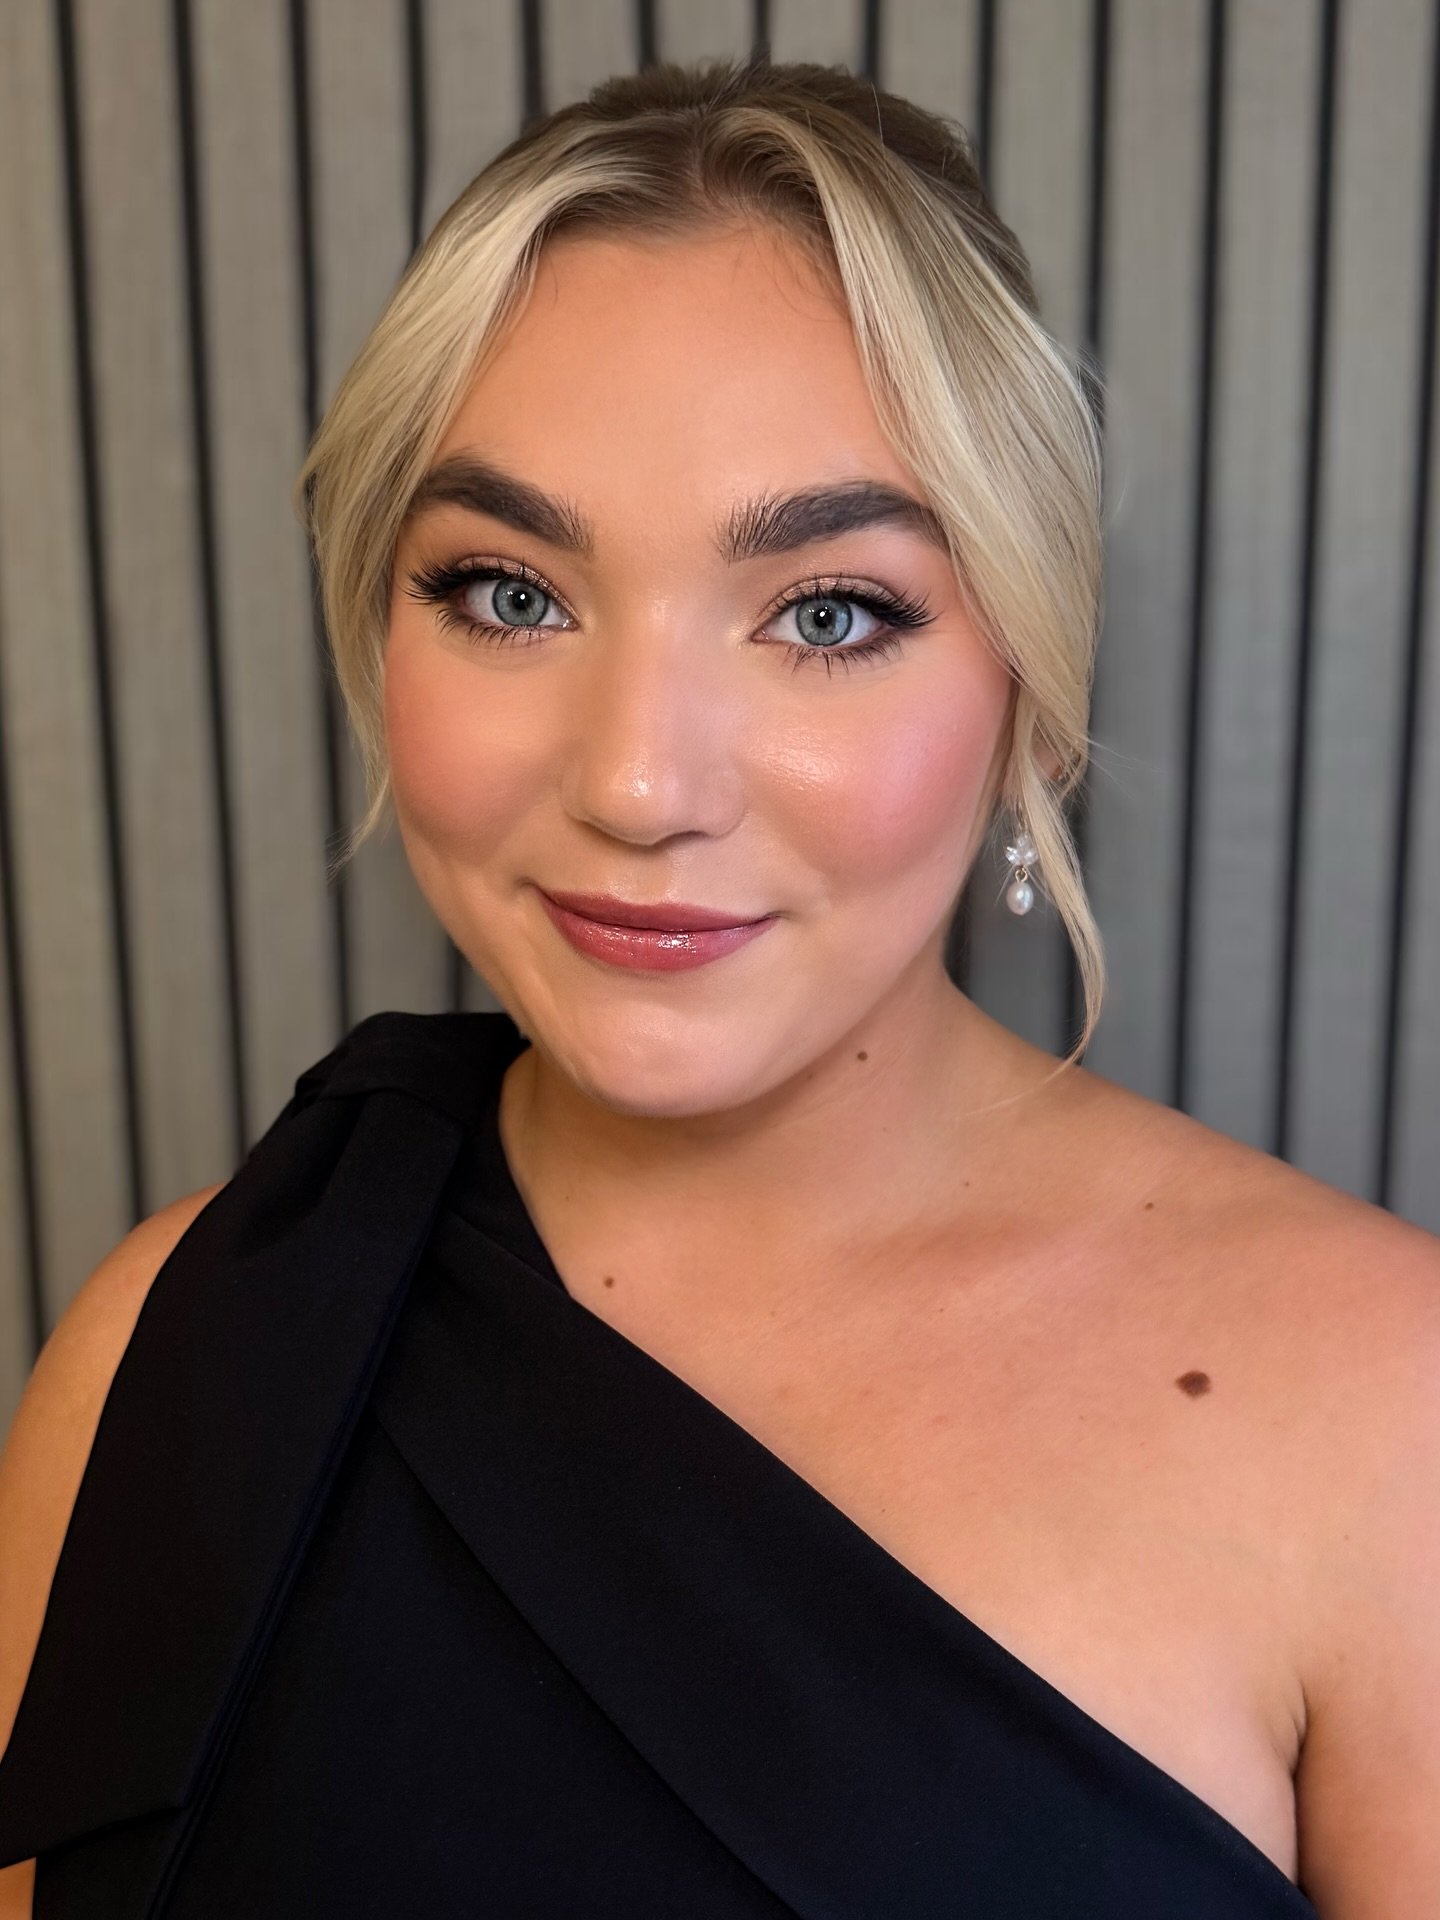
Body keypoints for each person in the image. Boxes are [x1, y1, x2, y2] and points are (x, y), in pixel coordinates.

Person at [0, 51, 1436, 1918]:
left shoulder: (1387, 1421)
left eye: (829, 614)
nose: (638, 784)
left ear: (1029, 691)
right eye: (509, 592)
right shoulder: (161, 1345)